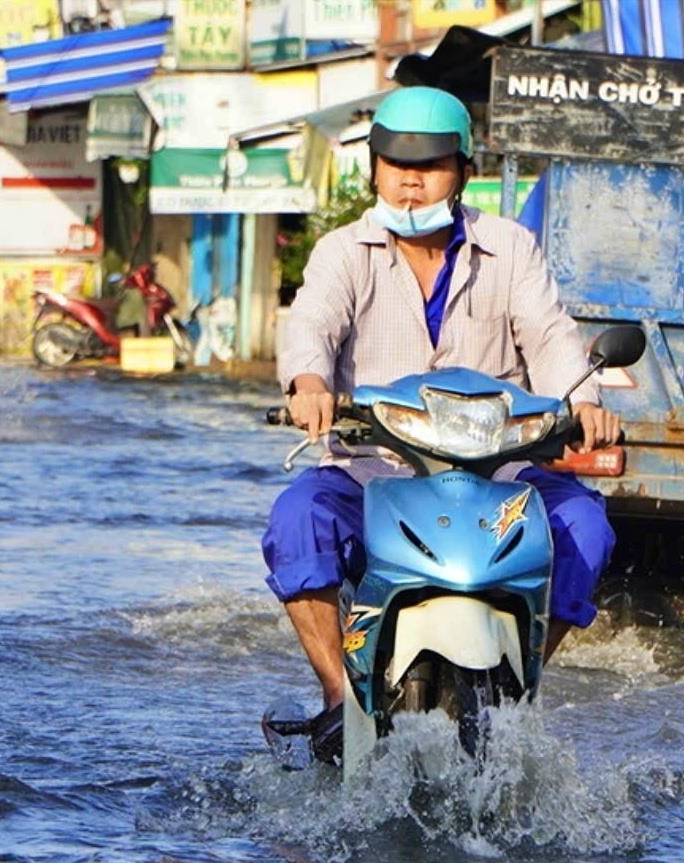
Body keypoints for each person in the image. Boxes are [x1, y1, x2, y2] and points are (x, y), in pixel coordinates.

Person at [265, 86, 621, 760]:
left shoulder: (510, 247)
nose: (408, 181)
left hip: (499, 477)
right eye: (394, 164)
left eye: (427, 165)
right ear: (373, 168)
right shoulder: (343, 252)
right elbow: (311, 322)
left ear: (461, 169)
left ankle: (518, 691)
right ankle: (340, 694)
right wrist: (309, 385)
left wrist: (583, 400)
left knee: (585, 529)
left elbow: (548, 336)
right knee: (295, 518)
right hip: (374, 474)